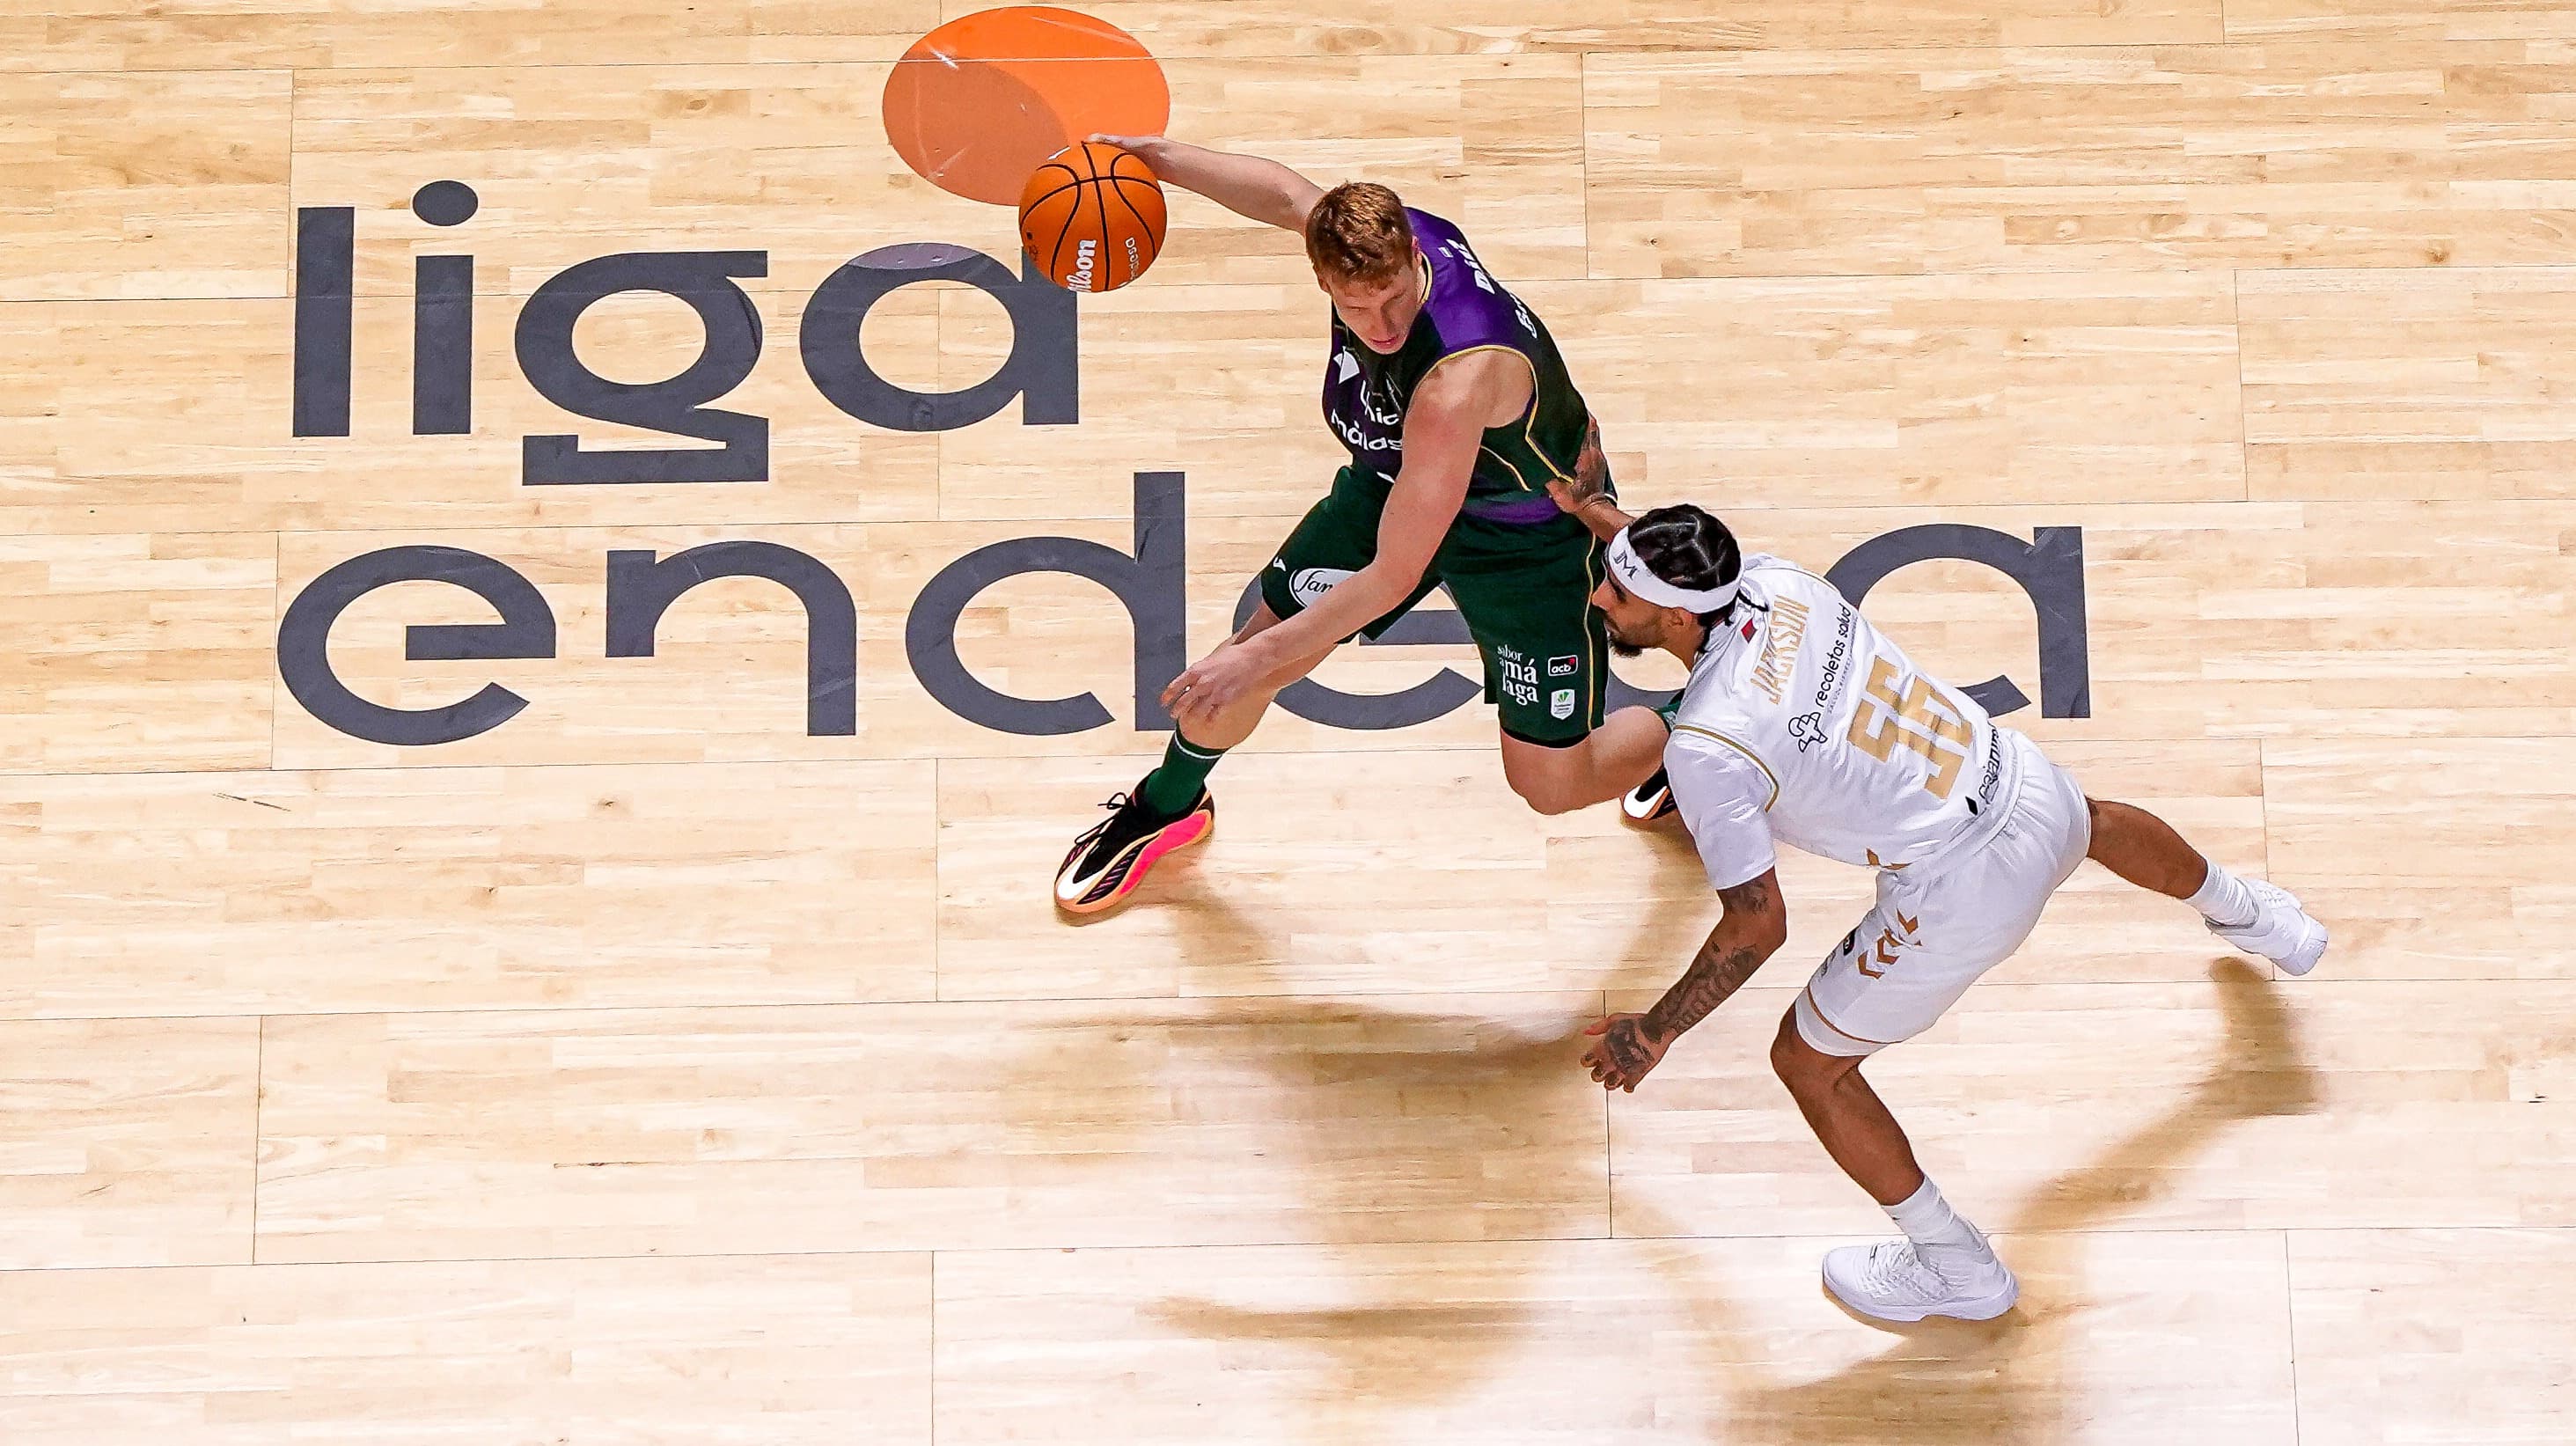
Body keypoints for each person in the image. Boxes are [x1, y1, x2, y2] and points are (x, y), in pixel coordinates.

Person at [1557, 499, 2329, 1325]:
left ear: (1675, 614)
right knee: (2094, 821)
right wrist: (1604, 517)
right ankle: (2260, 918)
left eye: (1616, 592)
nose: (1600, 600)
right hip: (2014, 780)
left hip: (1959, 889)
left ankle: (1954, 1266)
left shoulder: (1708, 748)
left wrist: (1658, 1030)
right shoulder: (1778, 579)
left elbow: (1757, 925)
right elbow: (1696, 562)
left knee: (1808, 1061)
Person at [1053, 136, 1671, 914]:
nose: (1379, 325)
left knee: (1551, 786)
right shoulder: (1362, 237)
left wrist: (1264, 657)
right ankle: (1165, 807)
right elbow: (1284, 194)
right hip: (1393, 483)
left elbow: (1394, 573)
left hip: (1525, 537)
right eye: (1355, 306)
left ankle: (1705, 720)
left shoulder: (1457, 378)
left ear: (1416, 255)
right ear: (1323, 275)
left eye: (1394, 300)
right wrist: (1153, 159)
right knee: (1241, 664)